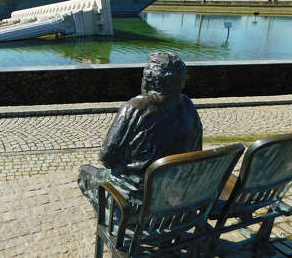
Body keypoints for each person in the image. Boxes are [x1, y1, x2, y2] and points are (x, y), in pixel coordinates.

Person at [78, 52, 203, 210]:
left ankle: (113, 219)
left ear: (152, 81)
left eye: (145, 77)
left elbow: (106, 158)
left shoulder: (134, 108)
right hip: (175, 194)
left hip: (137, 199)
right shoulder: (188, 106)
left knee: (85, 172)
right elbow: (196, 151)